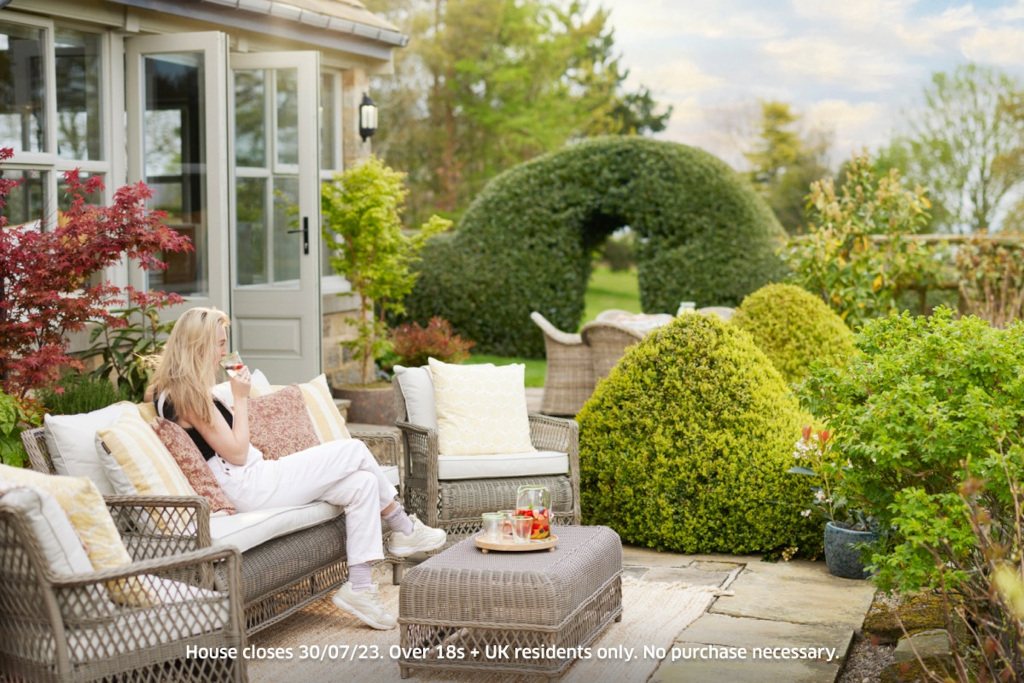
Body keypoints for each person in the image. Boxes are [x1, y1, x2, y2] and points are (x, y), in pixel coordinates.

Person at [147, 307, 445, 630]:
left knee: (362, 484)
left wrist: (231, 399)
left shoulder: (174, 390)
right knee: (355, 450)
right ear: (198, 346)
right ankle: (404, 529)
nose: (223, 352)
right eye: (219, 344)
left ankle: (359, 587)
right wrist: (240, 399)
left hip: (253, 478)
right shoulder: (188, 395)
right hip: (249, 483)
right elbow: (235, 452)